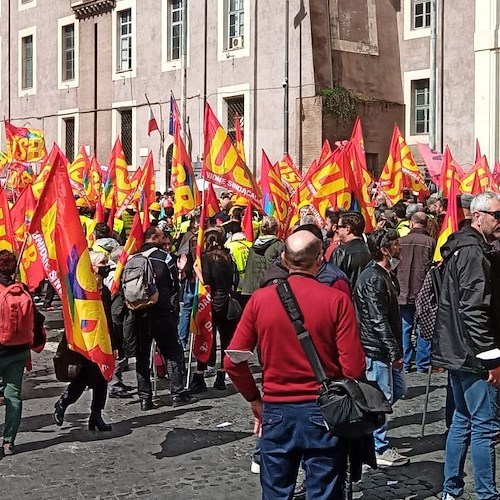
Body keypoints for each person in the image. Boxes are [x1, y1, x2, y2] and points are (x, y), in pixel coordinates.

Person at [225, 231, 366, 499]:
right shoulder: (336, 300)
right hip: (323, 412)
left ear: (283, 258)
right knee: (324, 491)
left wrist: (254, 398)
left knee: (276, 492)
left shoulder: (259, 300)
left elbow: (232, 361)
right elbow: (354, 369)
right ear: (321, 259)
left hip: (276, 411)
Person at [432, 192, 500, 500]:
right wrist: (491, 360)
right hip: (471, 354)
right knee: (483, 426)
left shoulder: (462, 247)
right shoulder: (472, 252)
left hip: (454, 349)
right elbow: (473, 310)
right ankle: (486, 494)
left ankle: (451, 489)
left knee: (462, 419)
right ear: (478, 216)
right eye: (497, 216)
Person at [123, 226, 197, 410]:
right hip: (162, 312)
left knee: (142, 356)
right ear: (154, 238)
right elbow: (173, 286)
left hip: (138, 312)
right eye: (162, 237)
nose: (165, 240)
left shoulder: (131, 258)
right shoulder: (165, 257)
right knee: (171, 352)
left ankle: (144, 398)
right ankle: (177, 394)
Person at [354, 229, 408, 467]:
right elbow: (377, 318)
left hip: (384, 347)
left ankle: (371, 432)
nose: (400, 248)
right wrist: (394, 352)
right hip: (376, 348)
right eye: (396, 244)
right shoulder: (374, 277)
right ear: (385, 250)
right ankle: (378, 446)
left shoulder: (385, 275)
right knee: (382, 397)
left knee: (396, 390)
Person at [53, 251, 115, 432]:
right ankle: (63, 403)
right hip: (84, 340)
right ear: (93, 267)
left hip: (102, 340)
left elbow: (108, 318)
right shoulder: (81, 289)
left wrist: (114, 344)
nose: (106, 266)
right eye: (102, 263)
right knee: (85, 377)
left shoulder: (105, 291)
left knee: (103, 377)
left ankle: (96, 416)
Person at [189, 228, 239, 393]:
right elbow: (235, 278)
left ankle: (200, 374)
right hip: (228, 300)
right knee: (226, 340)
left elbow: (207, 282)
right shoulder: (228, 257)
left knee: (206, 338)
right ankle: (221, 375)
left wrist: (197, 270)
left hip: (212, 303)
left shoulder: (205, 259)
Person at [0, 250, 39, 455]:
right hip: (19, 351)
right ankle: (9, 441)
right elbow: (37, 318)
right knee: (13, 396)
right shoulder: (22, 289)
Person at [397, 212, 435, 373]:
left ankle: (405, 363)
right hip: (423, 291)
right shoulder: (431, 242)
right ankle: (423, 363)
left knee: (405, 328)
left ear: (411, 223)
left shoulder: (401, 241)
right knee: (423, 327)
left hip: (403, 289)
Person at [241, 216, 285, 297]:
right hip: (270, 290)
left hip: (250, 290)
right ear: (276, 229)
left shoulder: (253, 246)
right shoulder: (279, 246)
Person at [329, 211, 372, 290]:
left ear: (348, 229)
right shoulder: (372, 250)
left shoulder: (340, 252)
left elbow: (332, 280)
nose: (336, 230)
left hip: (346, 298)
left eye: (339, 227)